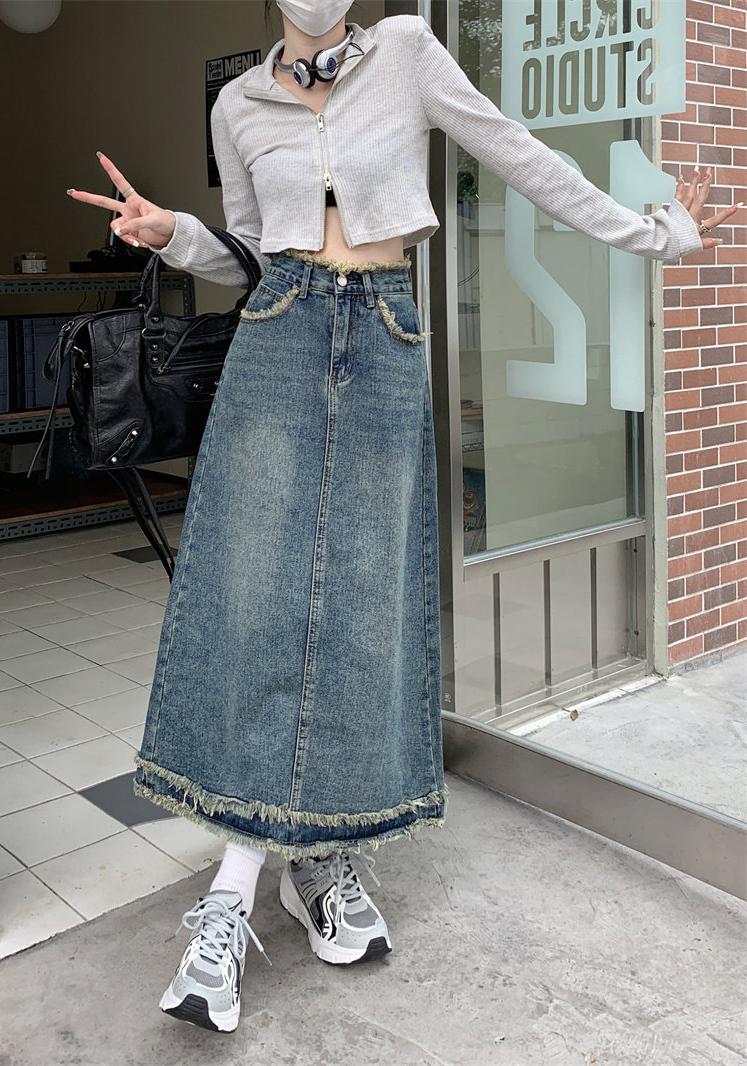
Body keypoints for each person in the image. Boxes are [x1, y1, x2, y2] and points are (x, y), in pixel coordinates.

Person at [67, 0, 740, 1035]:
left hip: (382, 333)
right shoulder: (238, 102)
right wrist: (176, 235)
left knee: (359, 603)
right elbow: (250, 251)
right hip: (277, 333)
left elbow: (522, 157)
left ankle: (317, 858)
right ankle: (236, 892)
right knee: (255, 599)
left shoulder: (408, 54)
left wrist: (655, 234)